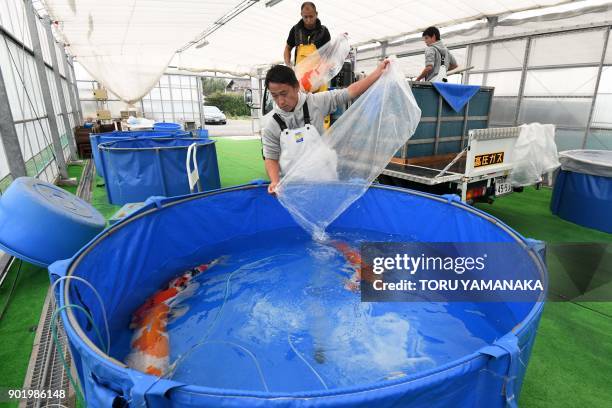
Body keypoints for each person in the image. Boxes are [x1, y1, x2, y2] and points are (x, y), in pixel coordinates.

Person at [262, 60, 390, 195]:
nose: (280, 101)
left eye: (284, 93)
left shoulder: (316, 102)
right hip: (295, 189)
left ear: (296, 87)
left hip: (326, 182)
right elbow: (271, 156)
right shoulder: (272, 124)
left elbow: (349, 92)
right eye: (275, 96)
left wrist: (377, 73)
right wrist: (275, 181)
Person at [284, 2, 331, 67]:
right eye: (305, 17)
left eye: (311, 16)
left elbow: (329, 52)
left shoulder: (323, 31)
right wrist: (288, 65)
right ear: (301, 14)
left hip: (318, 73)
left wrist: (341, 40)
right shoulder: (295, 30)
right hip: (300, 74)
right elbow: (288, 48)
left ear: (316, 14)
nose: (308, 20)